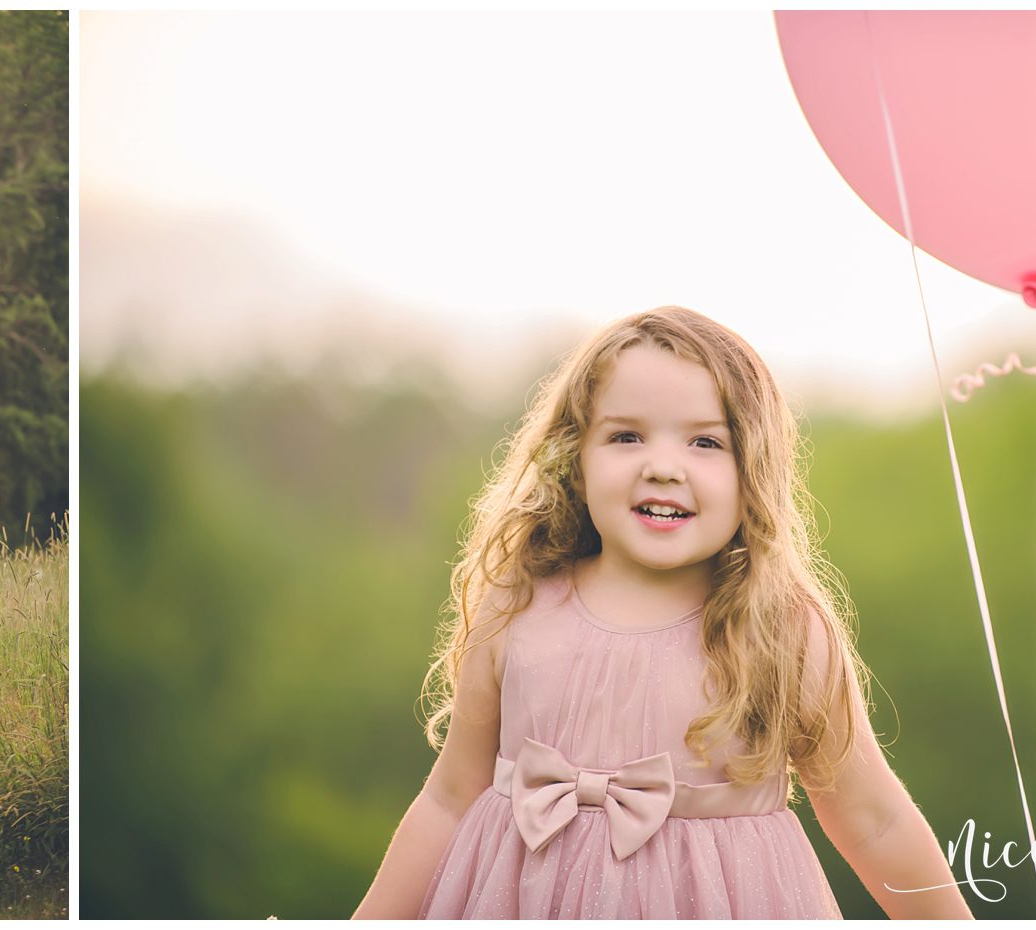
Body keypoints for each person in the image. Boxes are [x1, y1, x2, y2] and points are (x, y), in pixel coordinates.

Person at [353, 307, 971, 919]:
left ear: (751, 469)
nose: (663, 466)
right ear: (576, 456)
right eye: (626, 436)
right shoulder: (515, 605)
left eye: (705, 441)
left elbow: (873, 820)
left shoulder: (782, 628)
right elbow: (450, 797)